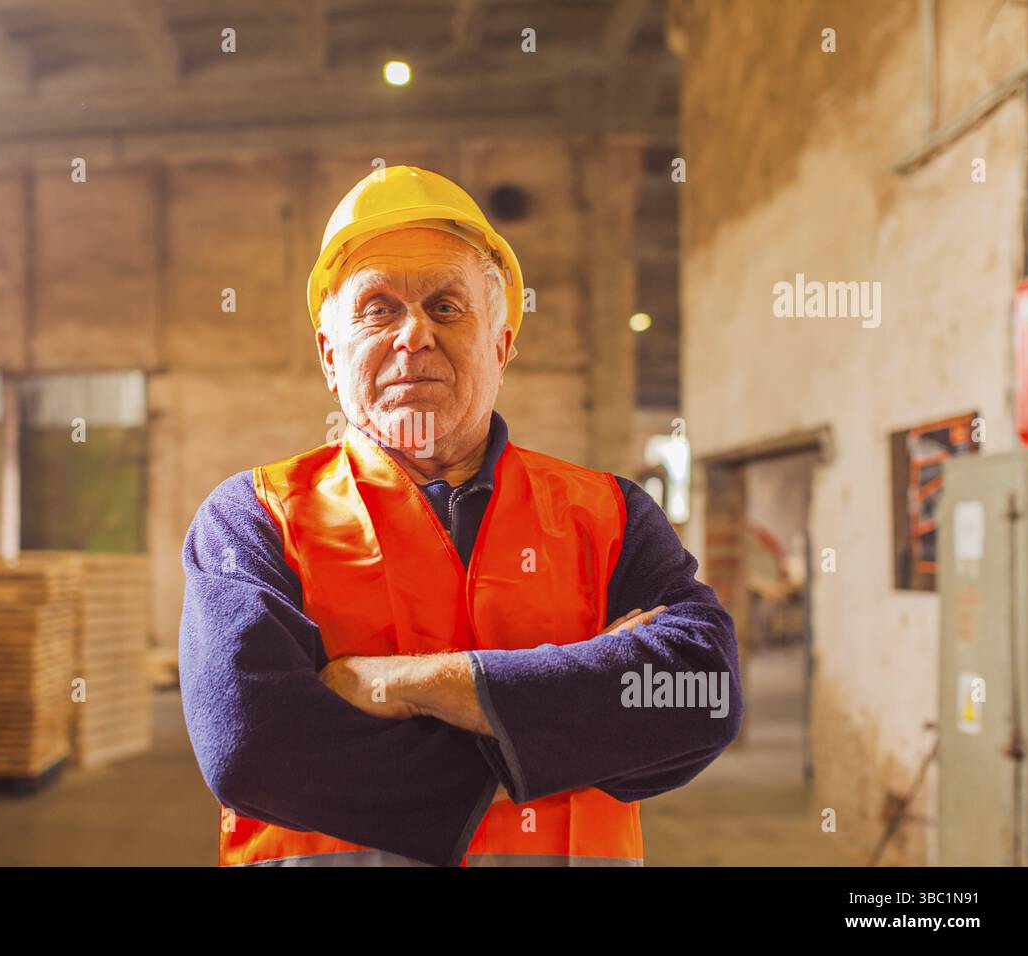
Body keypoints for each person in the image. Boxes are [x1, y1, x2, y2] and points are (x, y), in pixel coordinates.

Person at [180, 165, 742, 867]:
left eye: (447, 306)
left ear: (502, 346)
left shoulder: (608, 515)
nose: (413, 334)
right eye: (378, 308)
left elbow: (699, 692)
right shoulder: (255, 518)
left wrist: (400, 683)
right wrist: (573, 732)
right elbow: (253, 745)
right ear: (331, 357)